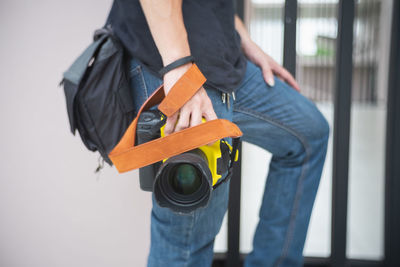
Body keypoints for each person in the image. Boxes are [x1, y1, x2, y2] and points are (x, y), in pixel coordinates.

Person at [105, 0, 329, 266]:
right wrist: (179, 68)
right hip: (172, 64)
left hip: (223, 60)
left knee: (308, 134)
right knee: (187, 238)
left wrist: (244, 40)